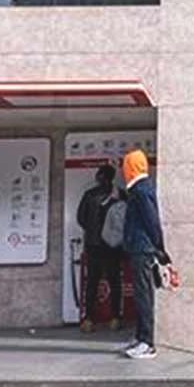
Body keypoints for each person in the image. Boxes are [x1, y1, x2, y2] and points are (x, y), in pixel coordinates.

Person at [120, 149, 166, 360]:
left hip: (142, 249)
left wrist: (159, 247)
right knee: (142, 295)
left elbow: (151, 221)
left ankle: (147, 343)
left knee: (143, 296)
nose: (124, 170)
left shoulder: (140, 190)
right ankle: (141, 338)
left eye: (126, 165)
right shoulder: (139, 189)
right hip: (141, 248)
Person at [76, 164, 125, 333]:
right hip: (113, 246)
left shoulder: (89, 195)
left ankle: (89, 319)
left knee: (92, 282)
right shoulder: (120, 195)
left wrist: (92, 230)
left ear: (99, 177)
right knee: (115, 282)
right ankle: (115, 318)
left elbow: (81, 218)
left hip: (93, 245)